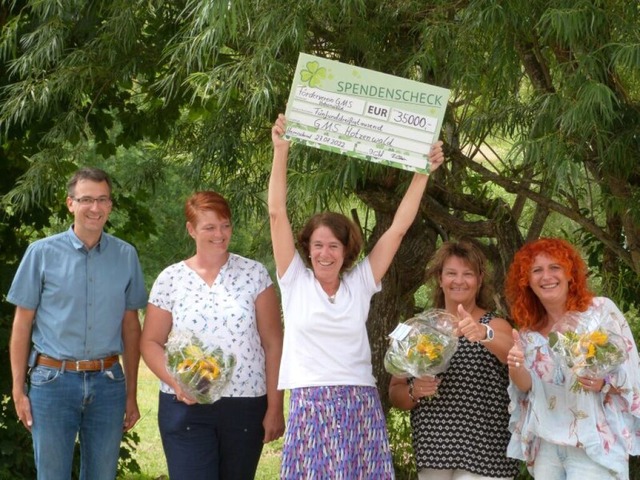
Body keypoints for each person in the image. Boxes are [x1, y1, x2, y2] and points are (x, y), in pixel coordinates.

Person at [269, 113, 444, 479]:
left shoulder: (360, 282)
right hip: (311, 401)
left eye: (334, 245)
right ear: (307, 248)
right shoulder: (294, 280)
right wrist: (280, 151)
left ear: (347, 251)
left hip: (358, 399)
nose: (325, 253)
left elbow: (398, 229)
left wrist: (421, 173)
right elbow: (276, 213)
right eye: (318, 245)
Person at [7, 167, 147, 480]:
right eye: (86, 199)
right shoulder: (40, 254)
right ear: (70, 203)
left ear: (110, 205)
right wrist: (18, 390)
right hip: (52, 382)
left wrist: (131, 392)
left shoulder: (126, 256)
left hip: (109, 383)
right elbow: (21, 326)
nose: (95, 208)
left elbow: (131, 328)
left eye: (102, 200)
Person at [140, 190, 284, 480]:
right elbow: (150, 342)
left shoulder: (254, 274)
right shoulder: (171, 279)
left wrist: (275, 407)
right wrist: (178, 383)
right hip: (185, 406)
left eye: (225, 225)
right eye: (209, 227)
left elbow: (273, 343)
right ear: (191, 230)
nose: (220, 234)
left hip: (245, 406)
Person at [505, 237, 640, 479]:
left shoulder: (599, 312)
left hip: (593, 446)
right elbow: (527, 387)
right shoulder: (528, 334)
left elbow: (631, 374)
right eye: (537, 270)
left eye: (554, 267)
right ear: (527, 281)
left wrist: (604, 382)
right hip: (548, 447)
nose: (546, 276)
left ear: (570, 274)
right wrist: (515, 364)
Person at [389, 240, 520, 480]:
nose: (458, 281)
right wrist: (414, 391)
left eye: (467, 274)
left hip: (486, 455)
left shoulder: (494, 324)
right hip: (434, 452)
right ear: (440, 278)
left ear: (479, 280)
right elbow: (395, 391)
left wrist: (483, 334)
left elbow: (513, 353)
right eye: (451, 273)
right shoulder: (420, 327)